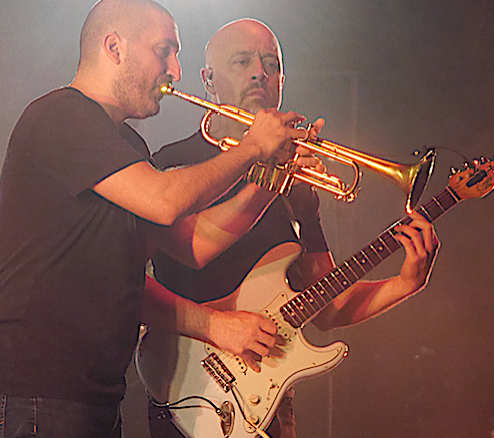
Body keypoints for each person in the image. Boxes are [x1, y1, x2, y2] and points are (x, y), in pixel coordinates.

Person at [0, 1, 313, 437]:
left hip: (95, 395)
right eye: (164, 50)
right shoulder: (61, 115)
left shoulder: (124, 144)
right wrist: (251, 148)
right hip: (38, 391)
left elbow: (194, 244)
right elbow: (165, 199)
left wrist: (274, 174)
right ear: (115, 47)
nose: (176, 69)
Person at [143, 18, 440, 438]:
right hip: (192, 399)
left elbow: (328, 305)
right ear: (208, 80)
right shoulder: (172, 165)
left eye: (271, 64)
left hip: (270, 405)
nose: (259, 73)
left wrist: (405, 283)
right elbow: (182, 252)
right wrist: (270, 178)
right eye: (242, 61)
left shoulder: (298, 180)